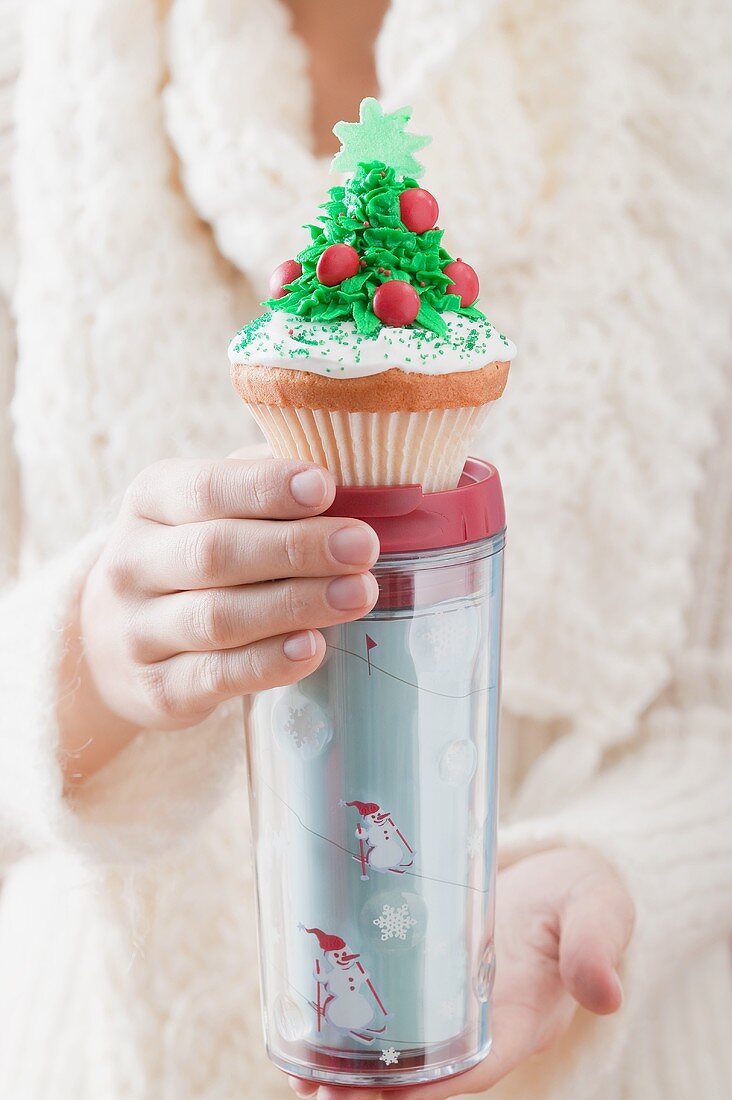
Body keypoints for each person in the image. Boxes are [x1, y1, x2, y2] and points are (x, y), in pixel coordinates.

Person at [0, 2, 730, 1098]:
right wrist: (89, 659)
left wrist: (622, 862)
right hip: (102, 1047)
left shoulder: (685, 57)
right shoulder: (49, 52)